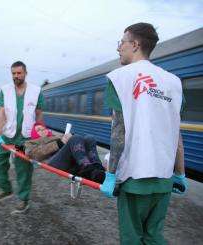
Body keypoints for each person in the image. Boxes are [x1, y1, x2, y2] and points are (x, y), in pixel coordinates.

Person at [100, 23, 188, 244]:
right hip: (164, 180)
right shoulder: (173, 82)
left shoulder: (120, 78)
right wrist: (180, 173)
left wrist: (111, 175)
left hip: (134, 178)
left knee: (132, 238)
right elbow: (176, 134)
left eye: (121, 42)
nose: (118, 48)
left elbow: (118, 133)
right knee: (154, 236)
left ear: (135, 44)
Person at [0, 61, 44, 214]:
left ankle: (23, 199)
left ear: (25, 73)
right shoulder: (5, 90)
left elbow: (39, 114)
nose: (16, 76)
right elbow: (1, 114)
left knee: (23, 169)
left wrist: (39, 135)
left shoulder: (36, 91)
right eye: (13, 73)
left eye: (19, 73)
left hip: (24, 138)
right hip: (7, 136)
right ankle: (6, 189)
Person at [24, 123, 106, 184]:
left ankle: (97, 168)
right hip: (51, 162)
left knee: (89, 138)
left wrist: (68, 138)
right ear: (34, 134)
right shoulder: (31, 142)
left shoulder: (55, 136)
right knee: (76, 137)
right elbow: (32, 154)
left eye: (43, 128)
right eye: (38, 130)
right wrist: (60, 143)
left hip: (68, 160)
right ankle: (87, 169)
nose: (42, 130)